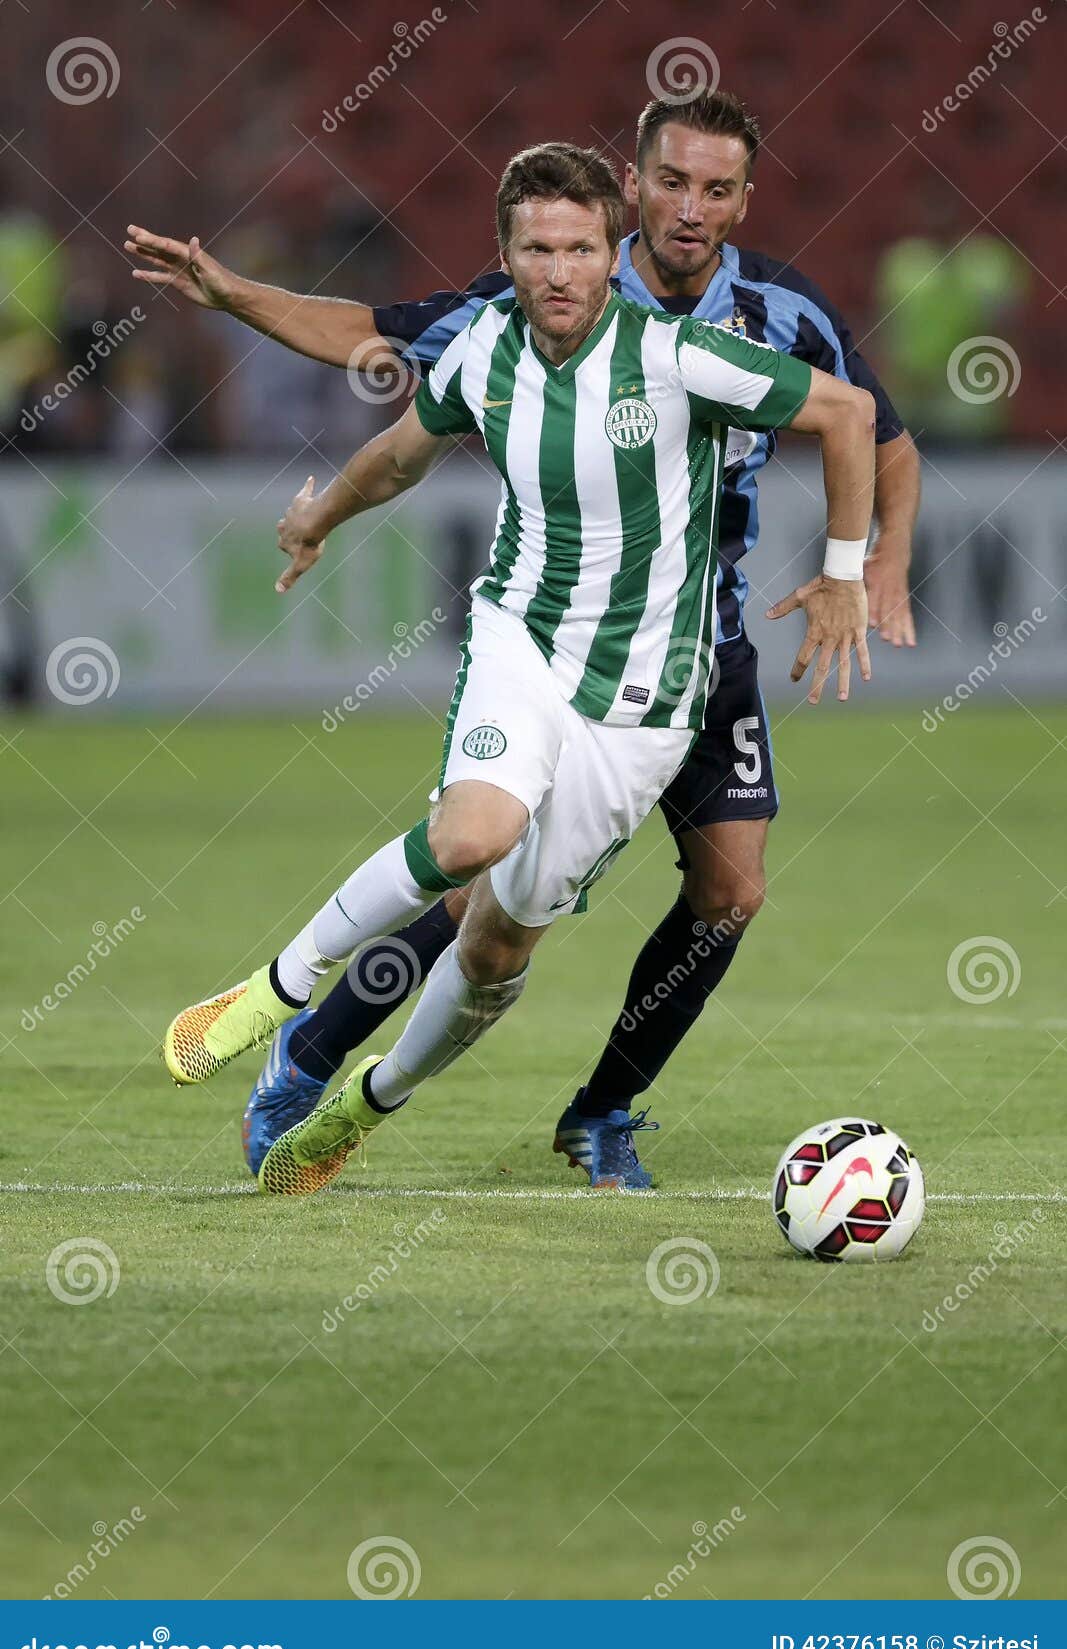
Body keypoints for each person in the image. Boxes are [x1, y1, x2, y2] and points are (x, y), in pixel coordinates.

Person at [130, 90, 914, 1190]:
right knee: (469, 858)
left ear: (743, 198)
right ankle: (298, 1035)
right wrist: (232, 300)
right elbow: (370, 352)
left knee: (703, 898)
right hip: (538, 640)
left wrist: (867, 569)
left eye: (715, 187)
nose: (690, 207)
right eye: (671, 182)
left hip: (691, 658)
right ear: (631, 192)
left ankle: (590, 1110)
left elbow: (873, 432)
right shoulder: (514, 312)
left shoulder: (771, 317)